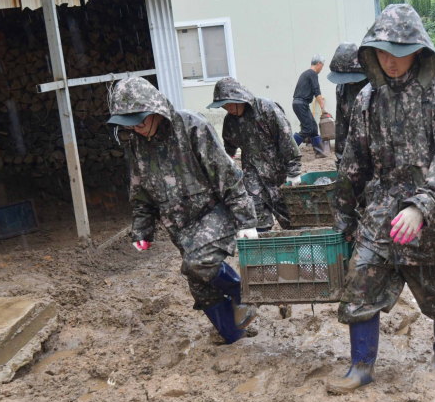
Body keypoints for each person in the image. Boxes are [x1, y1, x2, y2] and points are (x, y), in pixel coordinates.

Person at [327, 4, 435, 394]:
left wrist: (421, 207)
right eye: (382, 52)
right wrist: (342, 214)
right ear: (370, 53)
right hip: (384, 206)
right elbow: (354, 162)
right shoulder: (367, 100)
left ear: (419, 50)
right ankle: (361, 365)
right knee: (361, 279)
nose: (391, 62)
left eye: (400, 51)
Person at [107, 76, 259, 345]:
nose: (139, 129)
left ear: (156, 110)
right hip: (179, 224)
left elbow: (227, 174)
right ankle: (234, 334)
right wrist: (143, 229)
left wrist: (246, 219)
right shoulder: (136, 143)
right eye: (132, 124)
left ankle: (242, 291)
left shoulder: (191, 126)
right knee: (201, 288)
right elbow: (141, 191)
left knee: (197, 264)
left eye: (142, 121)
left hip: (214, 211)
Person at [208, 77, 302, 231]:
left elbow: (285, 139)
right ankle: (264, 248)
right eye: (224, 107)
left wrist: (294, 169)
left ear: (239, 98)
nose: (228, 110)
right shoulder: (231, 121)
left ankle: (300, 245)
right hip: (252, 172)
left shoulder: (266, 108)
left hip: (278, 170)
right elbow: (228, 147)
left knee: (291, 217)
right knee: (257, 215)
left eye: (229, 105)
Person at [326, 42, 368, 167]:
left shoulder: (374, 85)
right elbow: (341, 128)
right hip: (354, 151)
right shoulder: (341, 90)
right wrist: (341, 161)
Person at [292, 54, 328, 158]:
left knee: (313, 127)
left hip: (300, 103)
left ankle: (319, 152)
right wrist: (323, 107)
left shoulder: (306, 73)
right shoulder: (312, 73)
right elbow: (316, 91)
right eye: (322, 65)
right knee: (307, 128)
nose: (322, 68)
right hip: (300, 103)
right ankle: (290, 150)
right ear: (318, 63)